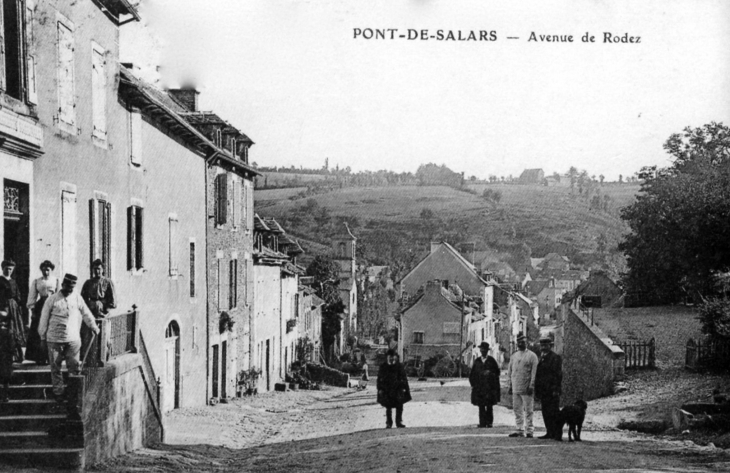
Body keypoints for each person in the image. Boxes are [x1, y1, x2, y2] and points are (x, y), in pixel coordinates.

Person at [38, 274, 100, 402]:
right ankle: (58, 393)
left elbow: (86, 313)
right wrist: (42, 337)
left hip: (73, 340)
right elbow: (44, 319)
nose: (69, 290)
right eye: (67, 287)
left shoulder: (77, 298)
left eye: (71, 288)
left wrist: (93, 326)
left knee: (74, 367)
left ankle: (73, 394)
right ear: (62, 285)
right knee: (56, 368)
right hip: (54, 340)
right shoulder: (52, 300)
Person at [25, 260, 59, 364]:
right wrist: (33, 309)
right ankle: (39, 357)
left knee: (51, 330)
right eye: (43, 270)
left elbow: (58, 295)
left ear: (51, 270)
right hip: (40, 307)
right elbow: (32, 297)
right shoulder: (37, 281)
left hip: (52, 306)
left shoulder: (56, 280)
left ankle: (51, 357)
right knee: (38, 331)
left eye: (48, 270)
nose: (46, 272)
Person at [507, 333, 538, 438]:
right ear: (517, 343)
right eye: (519, 342)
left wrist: (532, 385)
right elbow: (510, 371)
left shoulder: (532, 356)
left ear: (527, 343)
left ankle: (529, 430)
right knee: (517, 409)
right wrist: (510, 385)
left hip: (526, 387)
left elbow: (534, 373)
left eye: (523, 342)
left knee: (528, 410)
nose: (521, 344)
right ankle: (519, 429)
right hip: (516, 387)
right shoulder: (514, 356)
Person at [535, 335, 563, 440]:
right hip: (543, 390)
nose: (543, 347)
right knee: (545, 412)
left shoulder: (555, 358)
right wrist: (537, 390)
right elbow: (539, 375)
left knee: (554, 412)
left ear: (550, 346)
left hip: (552, 390)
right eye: (542, 345)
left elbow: (558, 375)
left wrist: (556, 389)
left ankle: (556, 433)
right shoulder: (542, 358)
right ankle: (549, 432)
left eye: (545, 345)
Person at [469, 341, 501, 428]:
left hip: (489, 387)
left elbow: (497, 372)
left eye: (485, 350)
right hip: (480, 388)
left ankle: (489, 422)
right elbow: (472, 374)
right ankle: (482, 423)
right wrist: (473, 384)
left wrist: (490, 373)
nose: (483, 351)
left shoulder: (491, 360)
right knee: (481, 405)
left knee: (489, 405)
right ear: (480, 350)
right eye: (482, 349)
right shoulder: (477, 361)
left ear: (487, 350)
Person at [377, 348, 411, 428]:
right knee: (388, 406)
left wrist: (404, 387)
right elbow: (379, 379)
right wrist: (380, 389)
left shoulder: (399, 366)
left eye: (393, 356)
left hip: (397, 389)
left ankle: (398, 422)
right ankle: (389, 423)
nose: (392, 358)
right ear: (387, 357)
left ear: (396, 357)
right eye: (390, 356)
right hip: (387, 389)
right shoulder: (383, 367)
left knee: (399, 406)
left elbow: (404, 378)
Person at [0, 260, 26, 362]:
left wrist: (18, 308)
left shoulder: (13, 281)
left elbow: (17, 296)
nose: (9, 271)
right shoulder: (0, 281)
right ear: (3, 268)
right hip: (3, 308)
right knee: (6, 331)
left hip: (14, 309)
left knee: (16, 330)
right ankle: (7, 356)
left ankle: (18, 356)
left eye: (11, 269)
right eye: (7, 268)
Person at [0, 307, 14, 402]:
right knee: (5, 378)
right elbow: (12, 347)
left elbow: (12, 347)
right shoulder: (8, 332)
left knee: (5, 378)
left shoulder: (7, 333)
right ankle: (5, 396)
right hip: (5, 358)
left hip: (4, 358)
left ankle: (5, 395)